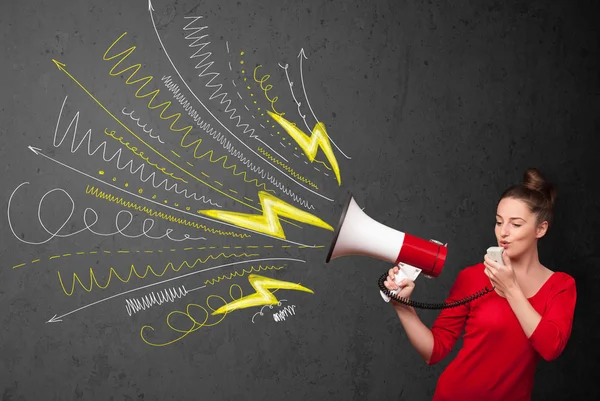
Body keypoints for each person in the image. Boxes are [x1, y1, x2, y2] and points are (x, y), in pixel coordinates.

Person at [384, 168, 577, 401]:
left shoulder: (561, 285)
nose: (503, 233)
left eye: (516, 225)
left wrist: (511, 289)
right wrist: (402, 306)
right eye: (498, 222)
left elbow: (551, 347)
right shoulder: (473, 277)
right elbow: (434, 351)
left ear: (541, 229)